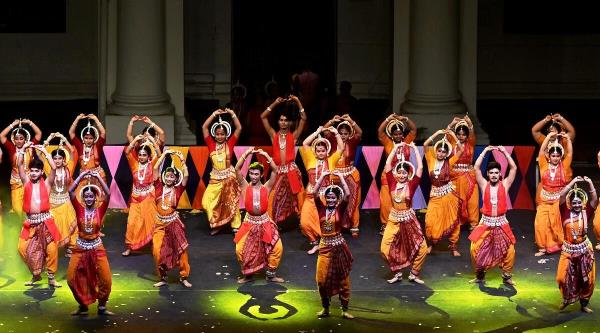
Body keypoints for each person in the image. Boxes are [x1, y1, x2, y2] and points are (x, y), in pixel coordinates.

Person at [468, 146, 518, 285]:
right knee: (474, 248)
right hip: (485, 223)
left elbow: (513, 169)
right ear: (488, 175)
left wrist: (504, 153)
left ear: (500, 174)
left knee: (510, 250)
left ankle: (507, 276)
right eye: (491, 173)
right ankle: (480, 275)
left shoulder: (505, 184)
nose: (494, 175)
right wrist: (485, 151)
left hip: (502, 223)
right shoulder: (484, 185)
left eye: (496, 173)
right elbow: (476, 168)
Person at [234, 148, 284, 283]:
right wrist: (246, 154)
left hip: (265, 222)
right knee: (240, 249)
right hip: (249, 223)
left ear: (261, 175)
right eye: (251, 173)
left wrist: (267, 155)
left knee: (277, 247)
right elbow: (237, 169)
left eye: (256, 174)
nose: (253, 176)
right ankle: (248, 275)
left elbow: (275, 170)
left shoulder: (266, 187)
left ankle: (271, 274)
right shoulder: (245, 186)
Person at [67, 170, 113, 316]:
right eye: (86, 196)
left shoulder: (100, 210)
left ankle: (102, 306)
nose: (88, 198)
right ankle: (82, 305)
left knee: (106, 280)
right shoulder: (79, 208)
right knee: (71, 279)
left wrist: (97, 177)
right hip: (80, 247)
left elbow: (108, 194)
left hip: (96, 246)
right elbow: (71, 191)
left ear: (95, 197)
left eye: (91, 196)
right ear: (83, 197)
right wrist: (81, 176)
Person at [380, 142, 427, 284]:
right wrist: (394, 148)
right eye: (399, 172)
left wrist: (414, 150)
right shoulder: (392, 182)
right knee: (384, 248)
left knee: (422, 247)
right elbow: (387, 165)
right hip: (394, 220)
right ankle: (397, 272)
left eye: (404, 173)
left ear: (408, 174)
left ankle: (414, 273)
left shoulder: (411, 184)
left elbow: (420, 167)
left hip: (408, 220)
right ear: (396, 173)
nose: (401, 175)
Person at [17, 143, 62, 287]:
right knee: (22, 248)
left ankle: (51, 278)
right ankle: (36, 275)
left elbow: (54, 168)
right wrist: (23, 150)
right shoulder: (25, 182)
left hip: (46, 222)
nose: (34, 173)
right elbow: (19, 166)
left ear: (42, 172)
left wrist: (44, 152)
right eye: (32, 171)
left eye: (37, 171)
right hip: (30, 223)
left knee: (51, 250)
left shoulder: (47, 183)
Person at [312, 169, 354, 319]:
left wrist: (341, 177)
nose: (330, 200)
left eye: (332, 198)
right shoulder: (321, 208)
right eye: (328, 197)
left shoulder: (339, 209)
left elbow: (348, 195)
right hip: (324, 247)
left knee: (343, 280)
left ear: (337, 199)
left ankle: (345, 309)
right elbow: (314, 193)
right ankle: (325, 308)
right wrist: (323, 176)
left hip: (338, 247)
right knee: (321, 280)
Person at [260, 95, 307, 224]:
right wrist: (274, 103)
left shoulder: (294, 136)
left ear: (289, 122)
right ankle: (272, 223)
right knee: (273, 197)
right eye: (281, 120)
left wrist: (297, 101)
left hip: (292, 171)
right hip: (278, 171)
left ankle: (304, 223)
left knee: (299, 198)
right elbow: (263, 117)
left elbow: (303, 118)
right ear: (278, 122)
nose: (283, 122)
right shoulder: (273, 135)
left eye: (286, 120)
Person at [556, 176, 597, 313]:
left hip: (585, 250)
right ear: (570, 203)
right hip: (568, 250)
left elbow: (594, 200)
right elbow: (561, 195)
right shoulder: (565, 211)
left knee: (587, 280)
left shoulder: (587, 212)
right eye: (574, 203)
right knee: (562, 278)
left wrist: (590, 183)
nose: (577, 205)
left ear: (582, 202)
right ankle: (566, 299)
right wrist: (573, 182)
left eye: (579, 202)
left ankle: (584, 304)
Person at [300, 126, 344, 254]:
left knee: (325, 222)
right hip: (310, 195)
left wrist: (336, 133)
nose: (320, 153)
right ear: (315, 151)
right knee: (304, 222)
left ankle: (324, 243)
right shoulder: (310, 159)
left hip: (325, 197)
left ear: (326, 151)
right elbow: (305, 143)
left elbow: (341, 148)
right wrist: (317, 132)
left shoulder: (331, 160)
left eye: (322, 151)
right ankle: (314, 243)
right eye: (318, 150)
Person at [152, 150, 192, 288]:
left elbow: (186, 175)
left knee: (181, 251)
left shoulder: (178, 190)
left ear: (175, 179)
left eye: (171, 177)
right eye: (167, 176)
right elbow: (155, 168)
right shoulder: (158, 188)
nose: (169, 178)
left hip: (173, 224)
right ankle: (163, 277)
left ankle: (184, 276)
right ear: (164, 177)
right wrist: (164, 154)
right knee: (157, 251)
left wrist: (181, 160)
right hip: (159, 225)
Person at [201, 108, 242, 235]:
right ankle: (218, 222)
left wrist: (232, 114)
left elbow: (239, 128)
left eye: (222, 134)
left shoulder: (230, 144)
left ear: (226, 135)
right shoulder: (211, 144)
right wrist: (214, 114)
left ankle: (236, 226)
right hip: (215, 178)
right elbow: (204, 127)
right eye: (218, 134)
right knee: (206, 201)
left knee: (230, 201)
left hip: (228, 177)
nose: (220, 136)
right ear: (215, 134)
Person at [423, 129, 463, 256]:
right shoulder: (430, 158)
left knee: (452, 220)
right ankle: (431, 243)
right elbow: (425, 144)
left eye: (443, 152)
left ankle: (454, 246)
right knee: (430, 221)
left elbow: (461, 150)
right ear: (436, 150)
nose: (440, 153)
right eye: (439, 151)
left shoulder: (449, 162)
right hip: (434, 195)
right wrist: (437, 133)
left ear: (447, 154)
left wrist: (453, 136)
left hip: (448, 195)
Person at [324, 114, 363, 238]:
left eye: (346, 133)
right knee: (335, 200)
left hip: (350, 174)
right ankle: (336, 224)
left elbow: (359, 132)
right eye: (341, 133)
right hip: (335, 175)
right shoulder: (333, 140)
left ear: (349, 134)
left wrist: (351, 120)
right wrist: (331, 121)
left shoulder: (352, 141)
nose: (343, 135)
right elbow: (324, 130)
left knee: (354, 200)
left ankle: (354, 226)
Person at [377, 113, 417, 235]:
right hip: (389, 175)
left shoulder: (407, 141)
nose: (398, 136)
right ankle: (385, 224)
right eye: (395, 134)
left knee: (404, 199)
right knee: (386, 201)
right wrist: (388, 119)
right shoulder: (388, 143)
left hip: (404, 176)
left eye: (400, 134)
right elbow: (380, 131)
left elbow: (414, 129)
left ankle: (404, 222)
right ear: (392, 135)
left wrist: (405, 119)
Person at [534, 132, 573, 256]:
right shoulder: (543, 165)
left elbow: (570, 154)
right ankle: (541, 247)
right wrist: (547, 137)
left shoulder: (564, 166)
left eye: (557, 155)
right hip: (545, 199)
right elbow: (541, 151)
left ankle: (557, 244)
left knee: (555, 224)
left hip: (558, 200)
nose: (555, 158)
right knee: (540, 223)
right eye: (553, 155)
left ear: (560, 156)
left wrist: (568, 140)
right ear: (549, 156)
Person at [122, 135, 161, 256]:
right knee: (132, 222)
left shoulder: (152, 164)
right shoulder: (134, 163)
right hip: (135, 197)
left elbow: (159, 155)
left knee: (148, 222)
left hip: (148, 196)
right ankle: (130, 247)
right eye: (140, 154)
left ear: (148, 156)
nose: (141, 157)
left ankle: (152, 244)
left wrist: (153, 141)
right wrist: (135, 140)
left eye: (144, 155)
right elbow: (127, 151)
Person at [44, 132, 78, 257]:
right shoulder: (49, 169)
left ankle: (70, 247)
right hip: (52, 202)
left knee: (71, 225)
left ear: (64, 159)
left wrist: (64, 139)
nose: (57, 161)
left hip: (66, 201)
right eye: (55, 158)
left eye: (60, 158)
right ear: (51, 160)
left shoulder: (68, 168)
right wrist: (48, 139)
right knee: (55, 226)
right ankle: (52, 249)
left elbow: (73, 153)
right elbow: (40, 154)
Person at [0, 119, 42, 217]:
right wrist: (12, 124)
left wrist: (30, 123)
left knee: (30, 209)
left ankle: (30, 231)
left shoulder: (30, 147)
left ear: (25, 139)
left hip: (29, 182)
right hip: (16, 183)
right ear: (13, 140)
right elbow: (1, 135)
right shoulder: (12, 148)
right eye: (17, 138)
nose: (19, 141)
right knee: (17, 209)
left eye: (21, 138)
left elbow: (39, 133)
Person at [447, 116, 479, 229]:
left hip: (469, 176)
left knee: (472, 200)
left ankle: (474, 224)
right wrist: (451, 124)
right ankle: (455, 223)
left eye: (463, 134)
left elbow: (472, 135)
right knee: (455, 200)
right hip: (454, 177)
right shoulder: (452, 144)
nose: (461, 136)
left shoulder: (470, 144)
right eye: (459, 134)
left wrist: (470, 124)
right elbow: (446, 134)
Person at [68, 114, 107, 196]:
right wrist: (77, 118)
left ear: (94, 139)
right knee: (82, 198)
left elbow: (103, 133)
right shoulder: (80, 146)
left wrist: (96, 119)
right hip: (83, 176)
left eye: (91, 138)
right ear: (83, 138)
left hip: (97, 176)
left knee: (98, 199)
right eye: (86, 138)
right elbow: (71, 133)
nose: (88, 140)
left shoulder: (97, 146)